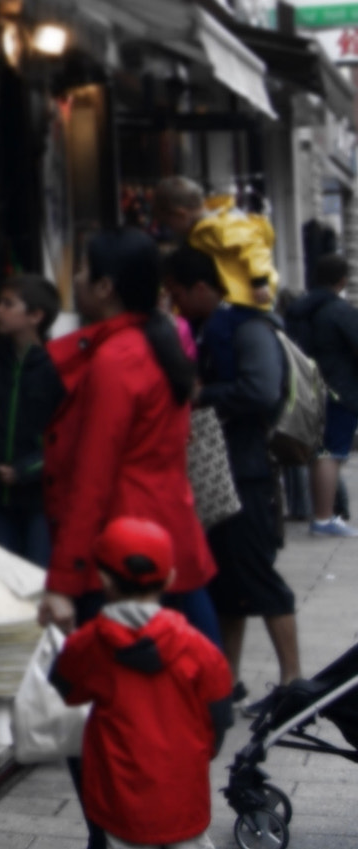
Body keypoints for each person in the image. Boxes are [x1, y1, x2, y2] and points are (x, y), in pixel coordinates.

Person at [38, 230, 219, 646]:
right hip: (167, 527)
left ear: (105, 287)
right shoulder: (155, 340)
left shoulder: (116, 357)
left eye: (82, 270)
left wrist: (64, 580)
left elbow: (92, 478)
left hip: (124, 548)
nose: (77, 279)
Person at [162, 245, 302, 687]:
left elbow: (260, 391)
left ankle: (292, 680)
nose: (175, 304)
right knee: (226, 582)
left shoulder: (246, 328)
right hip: (222, 470)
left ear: (202, 287)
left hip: (248, 471)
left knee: (257, 574)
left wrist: (203, 396)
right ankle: (229, 677)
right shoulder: (208, 328)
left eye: (178, 293)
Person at [50, 517, 235, 849]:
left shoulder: (88, 646)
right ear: (171, 579)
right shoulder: (201, 650)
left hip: (118, 801)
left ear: (104, 579)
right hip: (183, 797)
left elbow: (65, 688)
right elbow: (219, 717)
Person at [0, 273, 67, 567]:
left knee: (37, 580)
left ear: (36, 316)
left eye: (8, 303)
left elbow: (69, 438)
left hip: (41, 499)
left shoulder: (57, 369)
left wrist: (27, 470)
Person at [283, 252, 358, 537]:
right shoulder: (339, 311)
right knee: (330, 453)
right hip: (340, 390)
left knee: (317, 451)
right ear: (342, 280)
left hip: (304, 389)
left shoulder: (298, 309)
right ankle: (325, 518)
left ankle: (322, 513)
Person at [154, 176, 275, 309]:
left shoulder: (217, 226)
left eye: (168, 224)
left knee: (217, 325)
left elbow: (253, 245)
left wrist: (259, 282)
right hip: (237, 298)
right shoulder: (204, 229)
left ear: (181, 215)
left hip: (246, 299)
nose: (170, 229)